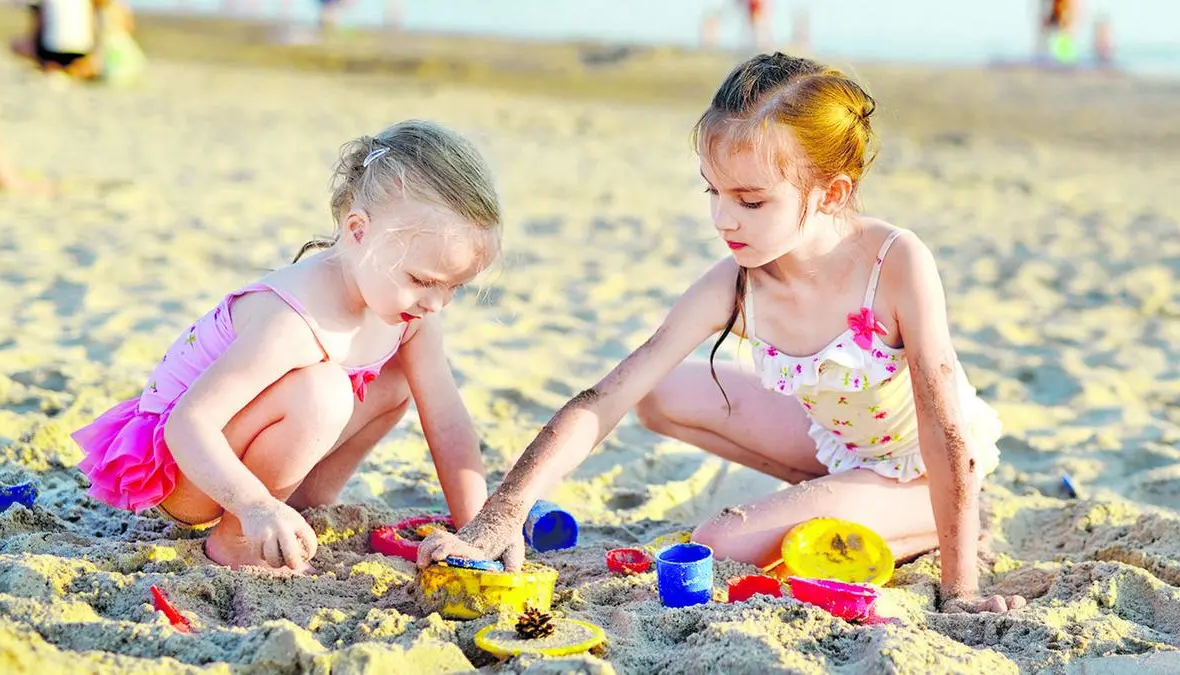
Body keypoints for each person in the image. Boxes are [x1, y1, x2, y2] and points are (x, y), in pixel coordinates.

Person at [419, 52, 1027, 615]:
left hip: (927, 465)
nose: (722, 218)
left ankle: (936, 520)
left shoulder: (894, 264)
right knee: (657, 393)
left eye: (751, 201)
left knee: (720, 539)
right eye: (713, 191)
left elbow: (945, 423)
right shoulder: (735, 284)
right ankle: (845, 495)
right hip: (835, 443)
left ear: (830, 193)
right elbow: (606, 398)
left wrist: (961, 588)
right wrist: (501, 513)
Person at [72, 120, 502, 573]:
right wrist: (254, 507)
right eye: (422, 281)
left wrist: (477, 531)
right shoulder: (290, 321)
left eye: (455, 287)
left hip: (249, 455)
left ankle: (305, 501)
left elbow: (448, 422)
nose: (436, 303)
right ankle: (238, 539)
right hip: (188, 471)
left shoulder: (412, 316)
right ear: (358, 231)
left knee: (397, 381)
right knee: (323, 392)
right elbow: (188, 425)